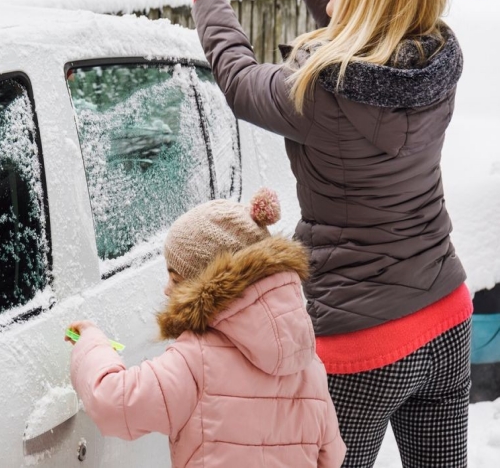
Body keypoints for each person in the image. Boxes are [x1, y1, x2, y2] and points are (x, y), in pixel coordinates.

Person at [172, 0, 473, 468]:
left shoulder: (319, 94)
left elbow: (237, 80)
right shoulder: (436, 66)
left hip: (361, 348)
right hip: (444, 317)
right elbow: (368, 32)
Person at [67, 189, 346, 468]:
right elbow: (331, 457)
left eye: (176, 280)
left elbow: (114, 403)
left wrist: (92, 343)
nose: (167, 290)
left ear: (205, 287)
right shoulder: (308, 362)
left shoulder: (195, 361)